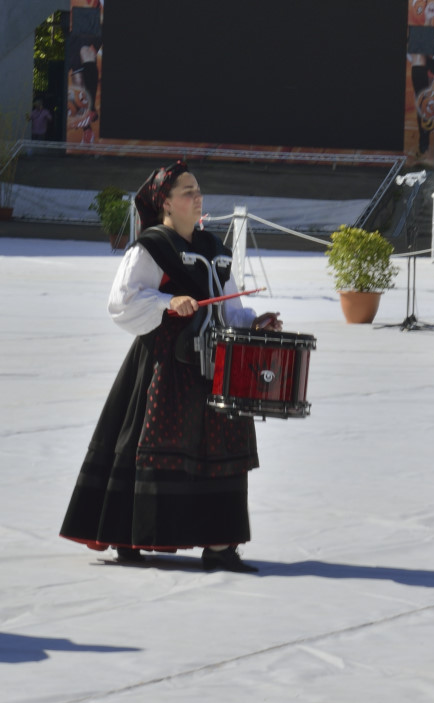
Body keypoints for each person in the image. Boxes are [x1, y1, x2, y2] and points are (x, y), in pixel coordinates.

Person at [59, 161, 281, 572]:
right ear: (165, 202)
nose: (197, 198)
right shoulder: (151, 248)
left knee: (220, 449)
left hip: (216, 366)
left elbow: (230, 308)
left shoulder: (214, 248)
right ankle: (132, 537)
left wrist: (254, 323)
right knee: (155, 443)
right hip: (165, 365)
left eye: (198, 190)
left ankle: (220, 547)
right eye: (187, 192)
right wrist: (168, 302)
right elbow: (122, 303)